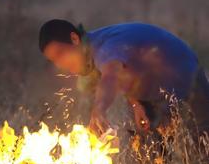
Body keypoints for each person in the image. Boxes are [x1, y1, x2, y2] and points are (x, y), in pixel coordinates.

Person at [38, 19, 209, 140]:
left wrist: (99, 109)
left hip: (188, 88)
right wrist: (136, 104)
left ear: (74, 39)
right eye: (54, 60)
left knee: (199, 153)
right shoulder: (94, 47)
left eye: (60, 53)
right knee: (148, 152)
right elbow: (126, 70)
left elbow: (112, 74)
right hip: (158, 93)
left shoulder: (103, 48)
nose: (61, 64)